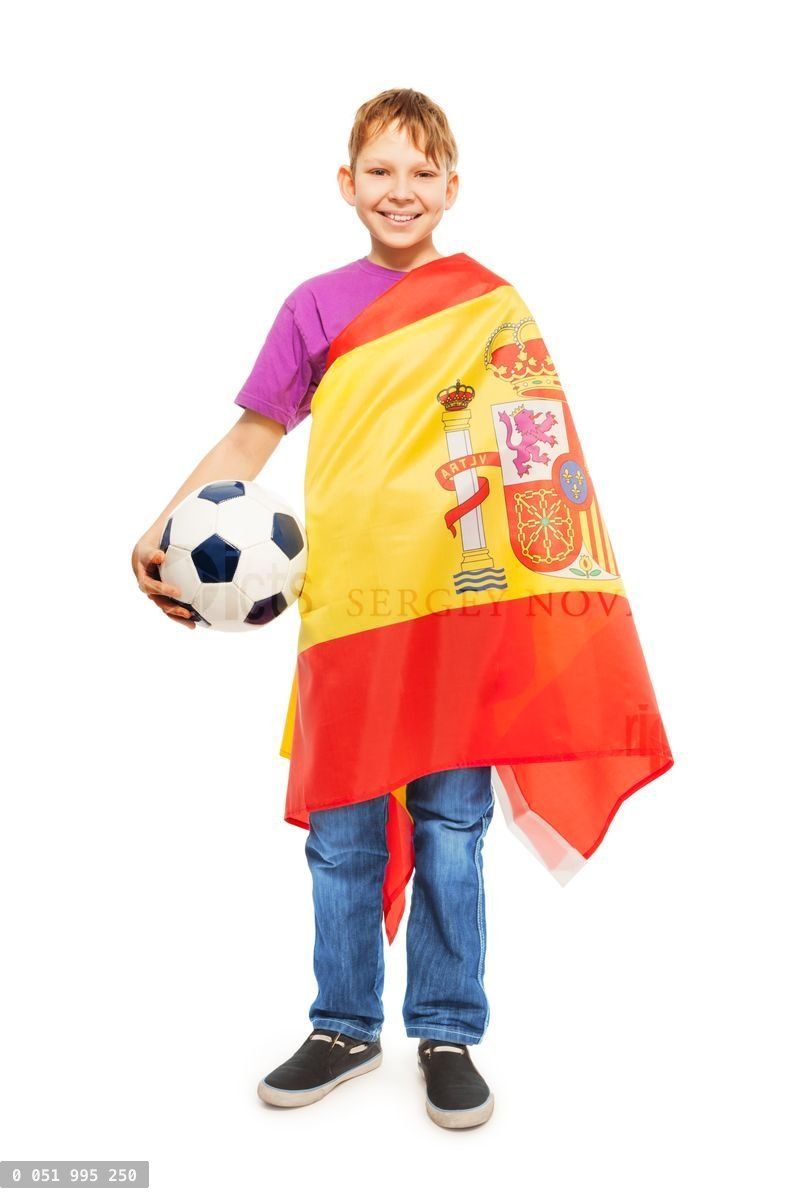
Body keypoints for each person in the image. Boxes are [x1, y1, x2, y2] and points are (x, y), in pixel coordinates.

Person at [131, 88, 673, 1131]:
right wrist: (157, 530)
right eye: (379, 171)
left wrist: (546, 591)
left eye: (421, 173)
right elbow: (250, 440)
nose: (400, 190)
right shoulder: (315, 307)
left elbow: (532, 451)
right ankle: (340, 1023)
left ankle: (446, 1030)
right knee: (340, 835)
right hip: (348, 608)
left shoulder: (488, 303)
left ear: (451, 187)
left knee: (450, 823)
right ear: (347, 184)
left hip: (459, 607)